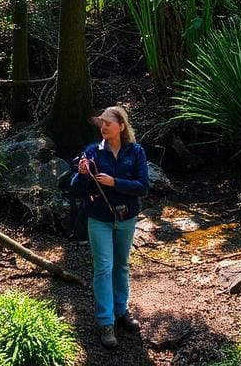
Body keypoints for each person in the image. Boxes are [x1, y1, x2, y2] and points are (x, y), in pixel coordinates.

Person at [72, 105, 149, 349]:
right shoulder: (92, 152)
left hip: (126, 218)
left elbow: (142, 186)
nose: (103, 126)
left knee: (122, 265)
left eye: (108, 122)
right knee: (104, 267)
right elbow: (75, 190)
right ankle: (106, 322)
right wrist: (82, 174)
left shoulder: (135, 152)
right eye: (101, 122)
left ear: (121, 126)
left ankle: (121, 310)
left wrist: (115, 182)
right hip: (99, 219)